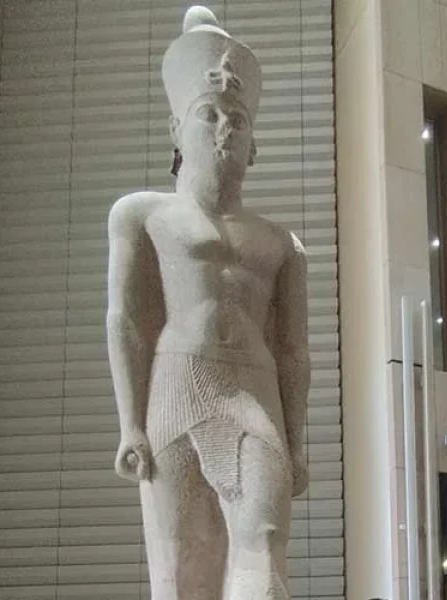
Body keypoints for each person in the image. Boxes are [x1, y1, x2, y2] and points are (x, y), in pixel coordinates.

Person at [106, 7, 309, 598]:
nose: (224, 129)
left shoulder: (282, 244)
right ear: (176, 130)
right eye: (209, 115)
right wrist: (129, 423)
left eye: (238, 121)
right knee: (183, 564)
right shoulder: (142, 215)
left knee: (263, 539)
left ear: (254, 145)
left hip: (253, 394)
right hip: (176, 385)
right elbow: (127, 321)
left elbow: (294, 350)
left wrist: (297, 441)